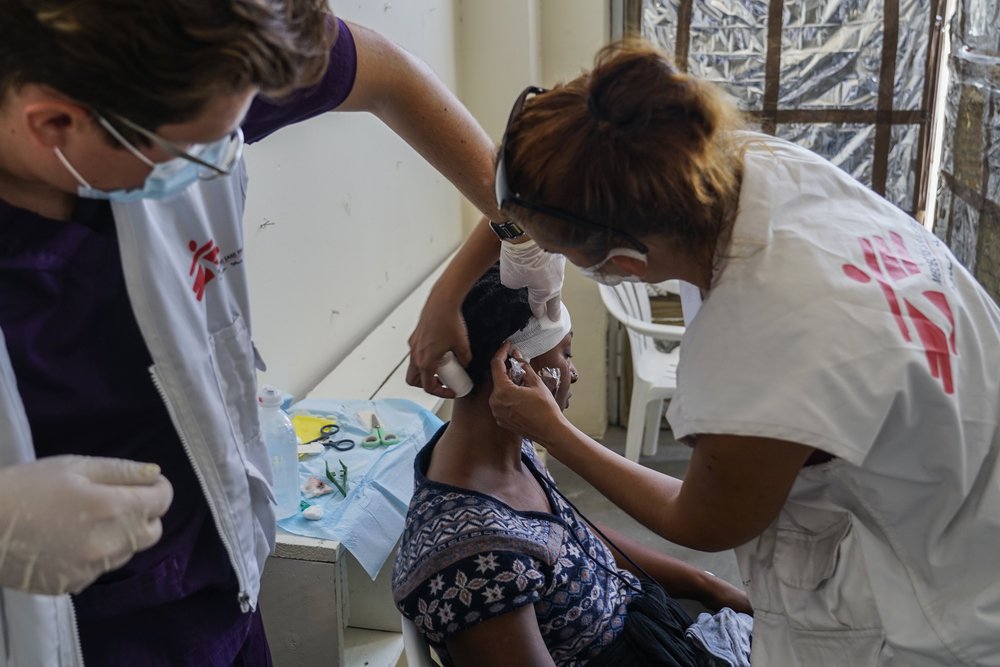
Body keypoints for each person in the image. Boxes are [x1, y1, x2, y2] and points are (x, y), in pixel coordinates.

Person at [0, 2, 561, 664]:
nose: (213, 170)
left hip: (221, 582)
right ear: (52, 124)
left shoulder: (187, 56)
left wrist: (518, 233)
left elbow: (386, 73)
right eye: (193, 152)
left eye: (230, 140)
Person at [477, 41, 1000, 665]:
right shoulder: (740, 164)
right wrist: (456, 290)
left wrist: (554, 433)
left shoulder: (767, 335)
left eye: (557, 250)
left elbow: (704, 522)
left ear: (624, 264)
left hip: (945, 611)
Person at [393, 264, 752, 667]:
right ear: (513, 371)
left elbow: (570, 536)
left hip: (650, 630)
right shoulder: (472, 559)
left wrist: (707, 585)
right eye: (566, 354)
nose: (574, 373)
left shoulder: (505, 449)